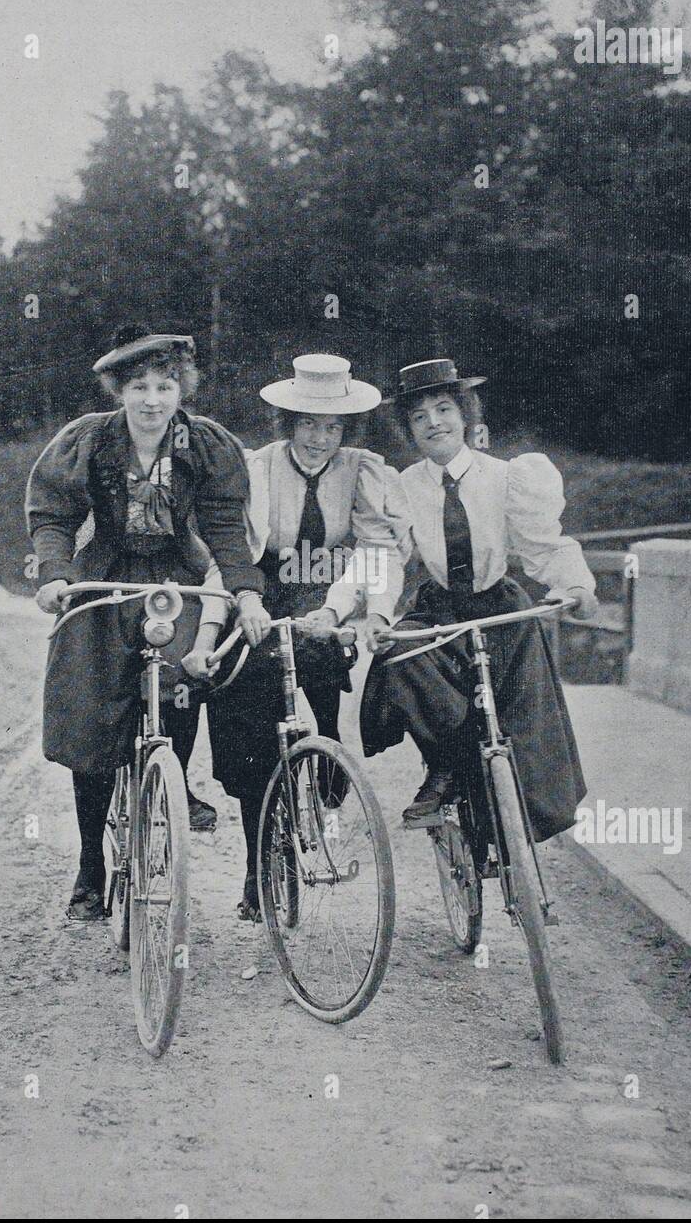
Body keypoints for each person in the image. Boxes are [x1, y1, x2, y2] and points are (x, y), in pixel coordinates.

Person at [26, 324, 269, 921]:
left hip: (174, 576)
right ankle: (90, 867)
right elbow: (53, 514)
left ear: (181, 389)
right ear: (119, 391)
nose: (153, 400)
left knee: (184, 671)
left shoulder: (206, 445)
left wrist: (246, 592)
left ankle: (172, 777)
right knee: (88, 700)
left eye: (166, 385)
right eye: (139, 387)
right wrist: (56, 575)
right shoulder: (87, 441)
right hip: (107, 574)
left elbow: (224, 528)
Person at [183, 353, 406, 921]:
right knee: (247, 722)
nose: (320, 438)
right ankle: (263, 865)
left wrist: (362, 612)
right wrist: (218, 625)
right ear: (288, 423)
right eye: (308, 423)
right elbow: (235, 556)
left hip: (328, 589)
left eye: (332, 425)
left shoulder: (363, 469)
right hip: (261, 587)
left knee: (322, 676)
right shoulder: (256, 469)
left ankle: (325, 753)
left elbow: (376, 552)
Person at [360, 357, 599, 843]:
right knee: (402, 652)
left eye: (443, 409)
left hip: (499, 606)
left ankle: (516, 838)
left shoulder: (508, 477)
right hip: (440, 606)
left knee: (520, 719)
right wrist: (376, 613)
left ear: (465, 416)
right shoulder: (401, 487)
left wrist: (576, 585)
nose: (434, 424)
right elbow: (384, 556)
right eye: (419, 418)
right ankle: (443, 770)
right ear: (409, 430)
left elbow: (541, 544)